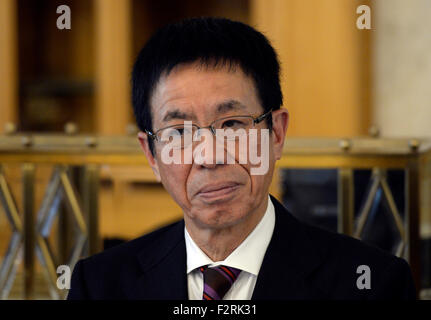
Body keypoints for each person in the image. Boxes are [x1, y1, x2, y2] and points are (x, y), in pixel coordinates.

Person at [68, 17, 416, 300]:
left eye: (232, 124)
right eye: (180, 132)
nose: (210, 156)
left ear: (276, 134)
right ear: (151, 154)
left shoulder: (374, 285)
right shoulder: (99, 286)